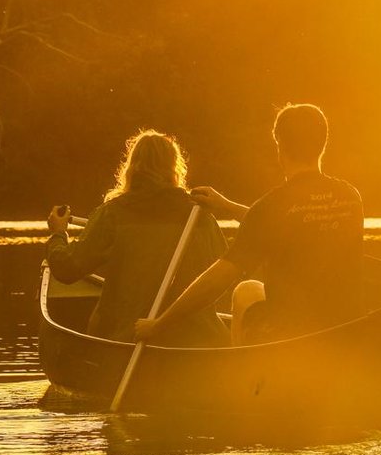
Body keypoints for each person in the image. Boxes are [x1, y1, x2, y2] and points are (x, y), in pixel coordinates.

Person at [135, 102, 365, 345]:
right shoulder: (350, 197)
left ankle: (242, 375)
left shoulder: (273, 206)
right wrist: (226, 206)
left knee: (243, 290)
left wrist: (160, 324)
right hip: (344, 328)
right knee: (249, 290)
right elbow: (291, 225)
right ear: (323, 144)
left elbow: (219, 278)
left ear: (280, 145)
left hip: (293, 336)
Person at [45, 129, 228, 345]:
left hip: (129, 339)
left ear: (132, 168)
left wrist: (58, 235)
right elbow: (226, 275)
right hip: (198, 341)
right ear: (174, 168)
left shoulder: (113, 214)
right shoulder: (200, 215)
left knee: (97, 317)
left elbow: (67, 269)